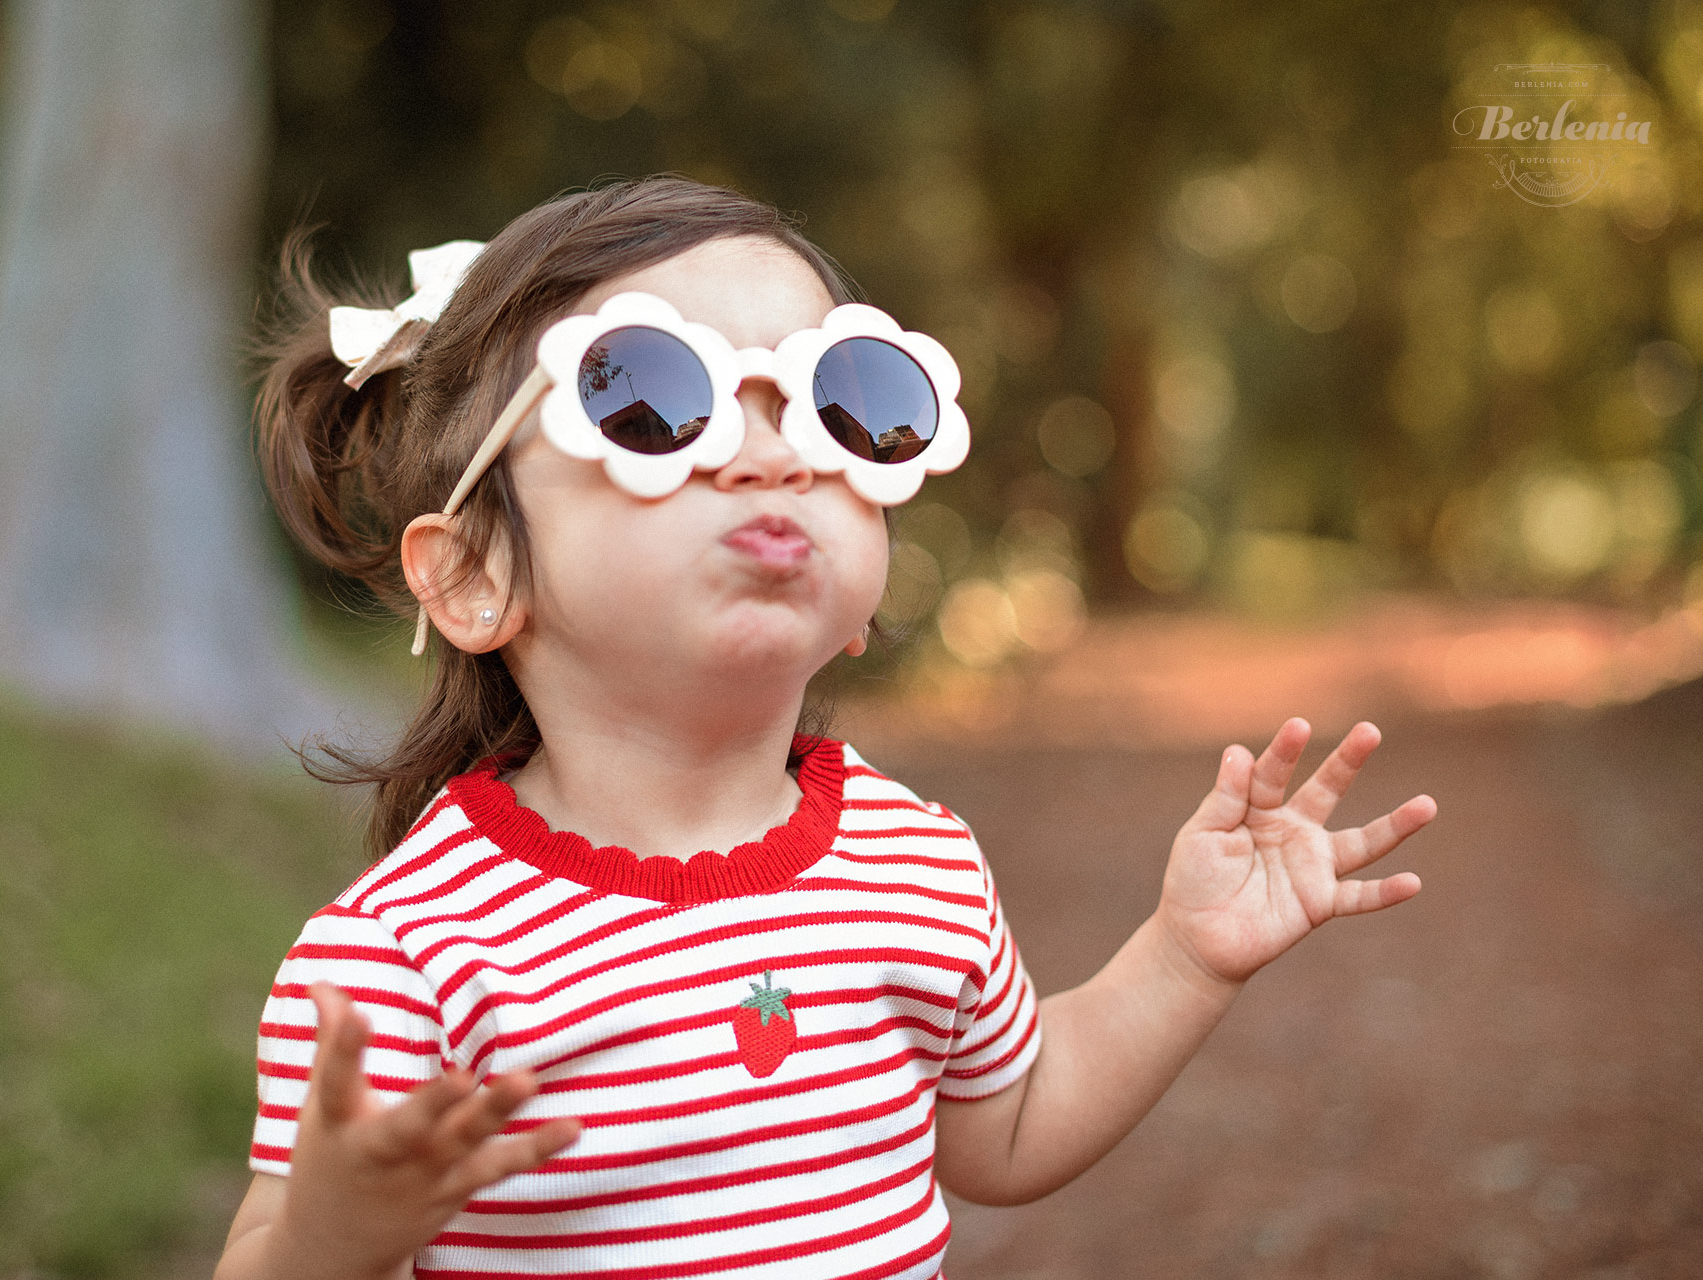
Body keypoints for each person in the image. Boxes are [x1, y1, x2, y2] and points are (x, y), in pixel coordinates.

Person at [213, 176, 1436, 1280]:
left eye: (837, 406)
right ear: (475, 573)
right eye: (655, 402)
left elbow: (1005, 1129)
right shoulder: (413, 953)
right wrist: (329, 1240)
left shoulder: (915, 861)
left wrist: (1182, 953)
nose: (772, 456)